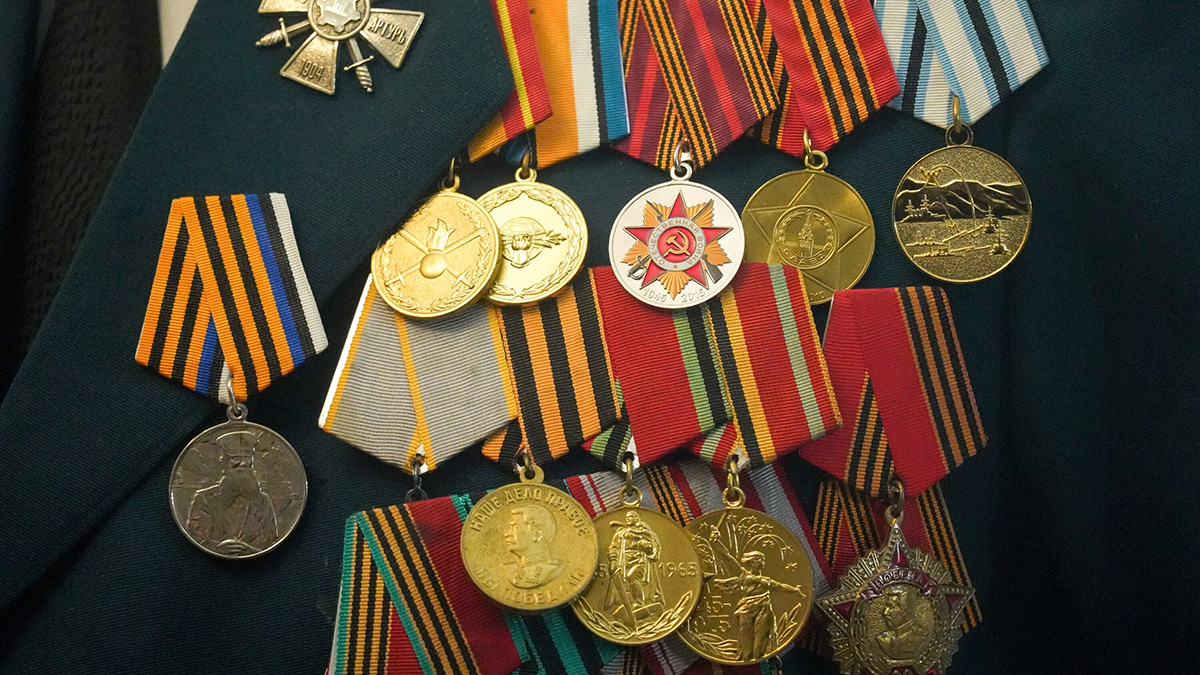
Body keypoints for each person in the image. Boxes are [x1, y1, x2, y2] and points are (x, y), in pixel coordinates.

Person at [186, 436, 279, 556]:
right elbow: (196, 537)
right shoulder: (205, 499)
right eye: (235, 458)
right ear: (224, 462)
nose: (243, 464)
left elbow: (272, 542)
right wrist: (218, 549)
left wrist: (250, 551)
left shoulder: (263, 502)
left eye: (247, 458)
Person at [712, 550, 804, 662]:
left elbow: (780, 586)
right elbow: (729, 559)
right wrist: (718, 546)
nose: (764, 562)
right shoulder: (744, 575)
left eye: (763, 560)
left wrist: (795, 590)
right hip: (746, 609)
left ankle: (758, 659)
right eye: (761, 559)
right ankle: (747, 661)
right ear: (753, 561)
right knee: (745, 640)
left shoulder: (766, 580)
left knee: (762, 638)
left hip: (763, 608)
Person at [604, 510, 663, 624]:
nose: (628, 519)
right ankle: (624, 605)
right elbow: (613, 547)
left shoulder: (646, 533)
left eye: (631, 516)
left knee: (632, 576)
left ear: (637, 518)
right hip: (624, 563)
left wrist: (646, 546)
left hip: (640, 561)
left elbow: (654, 548)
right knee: (623, 584)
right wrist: (613, 560)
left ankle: (638, 603)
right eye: (627, 517)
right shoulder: (621, 534)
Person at [502, 504, 567, 589]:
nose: (507, 534)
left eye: (515, 528)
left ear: (537, 534)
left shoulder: (552, 570)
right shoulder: (508, 568)